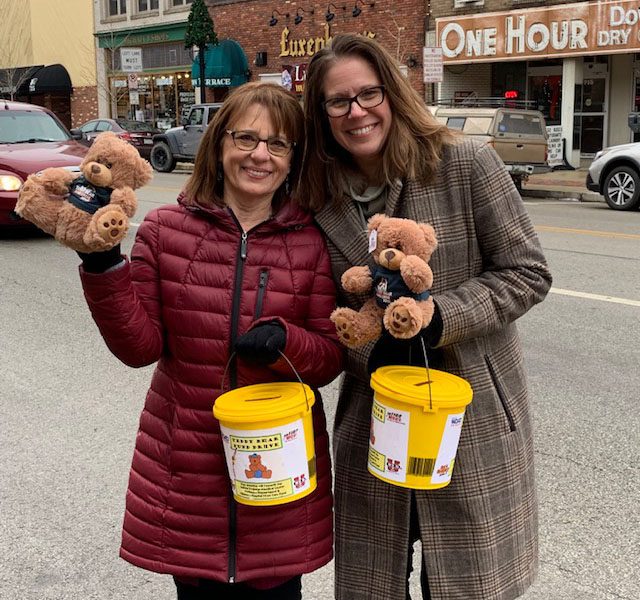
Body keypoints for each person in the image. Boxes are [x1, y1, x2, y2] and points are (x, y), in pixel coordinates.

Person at [302, 34, 552, 600]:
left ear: (392, 93)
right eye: (338, 101)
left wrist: (438, 316)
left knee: (465, 585)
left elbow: (528, 273)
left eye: (369, 94)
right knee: (374, 586)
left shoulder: (464, 163)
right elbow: (321, 308)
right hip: (375, 416)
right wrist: (366, 344)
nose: (357, 112)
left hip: (474, 414)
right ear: (321, 114)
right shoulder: (313, 194)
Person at [77, 82, 344, 600]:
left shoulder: (312, 242)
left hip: (278, 473)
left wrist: (286, 341)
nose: (260, 154)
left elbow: (330, 356)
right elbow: (139, 348)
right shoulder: (163, 230)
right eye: (246, 138)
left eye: (278, 143)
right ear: (219, 145)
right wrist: (104, 265)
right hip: (190, 471)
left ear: (294, 159)